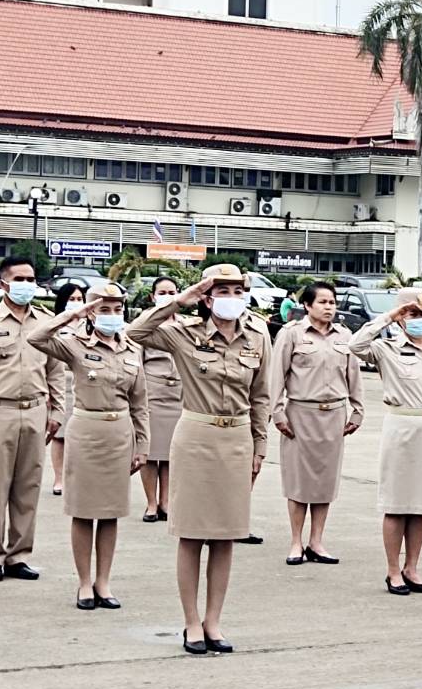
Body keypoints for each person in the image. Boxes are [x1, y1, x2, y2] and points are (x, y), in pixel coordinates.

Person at [127, 264, 271, 654]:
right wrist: (182, 298)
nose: (231, 298)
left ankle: (214, 621)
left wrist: (260, 445)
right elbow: (135, 332)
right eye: (221, 291)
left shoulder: (258, 336)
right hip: (196, 436)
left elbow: (261, 396)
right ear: (207, 297)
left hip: (237, 438)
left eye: (237, 290)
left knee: (226, 536)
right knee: (191, 535)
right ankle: (191, 622)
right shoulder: (183, 332)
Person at [28, 284, 149, 609]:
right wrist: (74, 314)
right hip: (86, 432)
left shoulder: (132, 349)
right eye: (104, 309)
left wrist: (142, 444)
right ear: (92, 313)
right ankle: (84, 583)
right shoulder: (75, 345)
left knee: (110, 513)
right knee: (83, 512)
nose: (112, 316)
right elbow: (36, 338)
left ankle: (103, 582)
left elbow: (140, 402)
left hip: (119, 433)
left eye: (117, 309)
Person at [349, 288, 422, 595]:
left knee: (421, 504)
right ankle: (393, 569)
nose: (419, 320)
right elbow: (355, 344)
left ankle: (413, 566)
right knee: (397, 503)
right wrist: (389, 317)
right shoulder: (387, 349)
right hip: (402, 426)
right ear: (400, 318)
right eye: (412, 314)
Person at [0, 257, 67, 582]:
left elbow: (56, 370)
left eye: (31, 278)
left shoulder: (45, 322)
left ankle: (19, 555)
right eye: (19, 278)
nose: (27, 284)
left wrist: (57, 412)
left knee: (29, 485)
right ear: (3, 284)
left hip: (37, 409)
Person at [270, 281, 363, 567]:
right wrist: (277, 412)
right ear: (307, 306)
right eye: (322, 302)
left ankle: (316, 541)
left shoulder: (345, 336)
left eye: (332, 302)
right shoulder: (292, 334)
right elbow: (277, 375)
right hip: (300, 414)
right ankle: (296, 541)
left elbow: (354, 376)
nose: (328, 307)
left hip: (333, 416)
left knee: (325, 482)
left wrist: (357, 410)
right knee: (299, 482)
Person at [139, 277, 183, 524]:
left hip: (179, 394)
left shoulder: (186, 324)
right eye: (162, 292)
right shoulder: (146, 324)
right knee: (151, 452)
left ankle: (166, 501)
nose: (167, 295)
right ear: (153, 296)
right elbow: (137, 360)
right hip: (152, 392)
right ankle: (151, 503)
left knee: (169, 454)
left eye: (172, 291)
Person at [47, 281, 87, 495]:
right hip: (61, 384)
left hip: (83, 384)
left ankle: (77, 477)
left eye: (79, 299)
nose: (76, 303)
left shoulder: (90, 324)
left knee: (79, 437)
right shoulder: (55, 326)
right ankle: (59, 478)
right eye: (71, 299)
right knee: (59, 436)